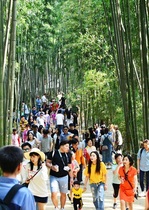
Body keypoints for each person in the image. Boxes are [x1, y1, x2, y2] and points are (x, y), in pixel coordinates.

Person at [46, 140, 73, 210]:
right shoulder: (53, 153)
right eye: (66, 146)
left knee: (63, 194)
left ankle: (62, 207)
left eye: (68, 146)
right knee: (54, 193)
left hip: (64, 176)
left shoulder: (68, 155)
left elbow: (70, 167)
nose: (68, 148)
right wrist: (52, 167)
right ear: (61, 146)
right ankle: (56, 207)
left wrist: (72, 178)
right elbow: (47, 163)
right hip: (53, 176)